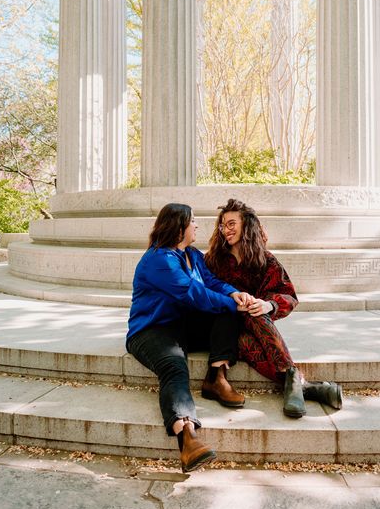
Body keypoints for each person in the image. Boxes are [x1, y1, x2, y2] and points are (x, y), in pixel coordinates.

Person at [126, 203, 250, 473]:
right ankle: (188, 437)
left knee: (225, 312)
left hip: (183, 326)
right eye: (193, 221)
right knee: (174, 366)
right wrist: (232, 303)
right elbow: (193, 293)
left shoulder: (192, 254)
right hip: (151, 330)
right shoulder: (158, 260)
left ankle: (217, 377)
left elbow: (211, 283)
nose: (197, 226)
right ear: (179, 226)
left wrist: (233, 294)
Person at [205, 198, 343, 419]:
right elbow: (205, 292)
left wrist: (268, 304)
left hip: (256, 325)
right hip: (225, 327)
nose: (225, 230)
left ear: (246, 225)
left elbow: (289, 295)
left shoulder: (264, 260)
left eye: (231, 224)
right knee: (248, 319)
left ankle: (294, 382)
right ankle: (300, 384)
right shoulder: (214, 261)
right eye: (222, 225)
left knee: (255, 314)